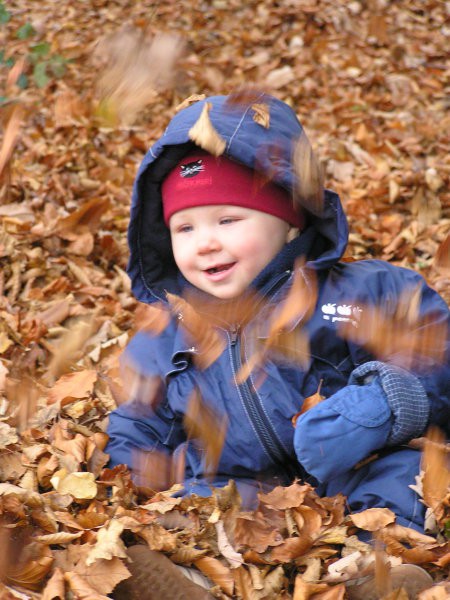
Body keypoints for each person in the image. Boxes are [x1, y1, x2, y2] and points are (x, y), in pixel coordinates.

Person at [107, 93, 449, 599]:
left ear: (289, 219)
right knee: (199, 502)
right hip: (244, 486)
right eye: (185, 227)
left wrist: (385, 401)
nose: (204, 242)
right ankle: (195, 580)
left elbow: (433, 350)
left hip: (357, 469)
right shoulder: (165, 335)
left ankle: (377, 568)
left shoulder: (361, 293)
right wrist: (135, 484)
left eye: (228, 220)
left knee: (407, 472)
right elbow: (138, 420)